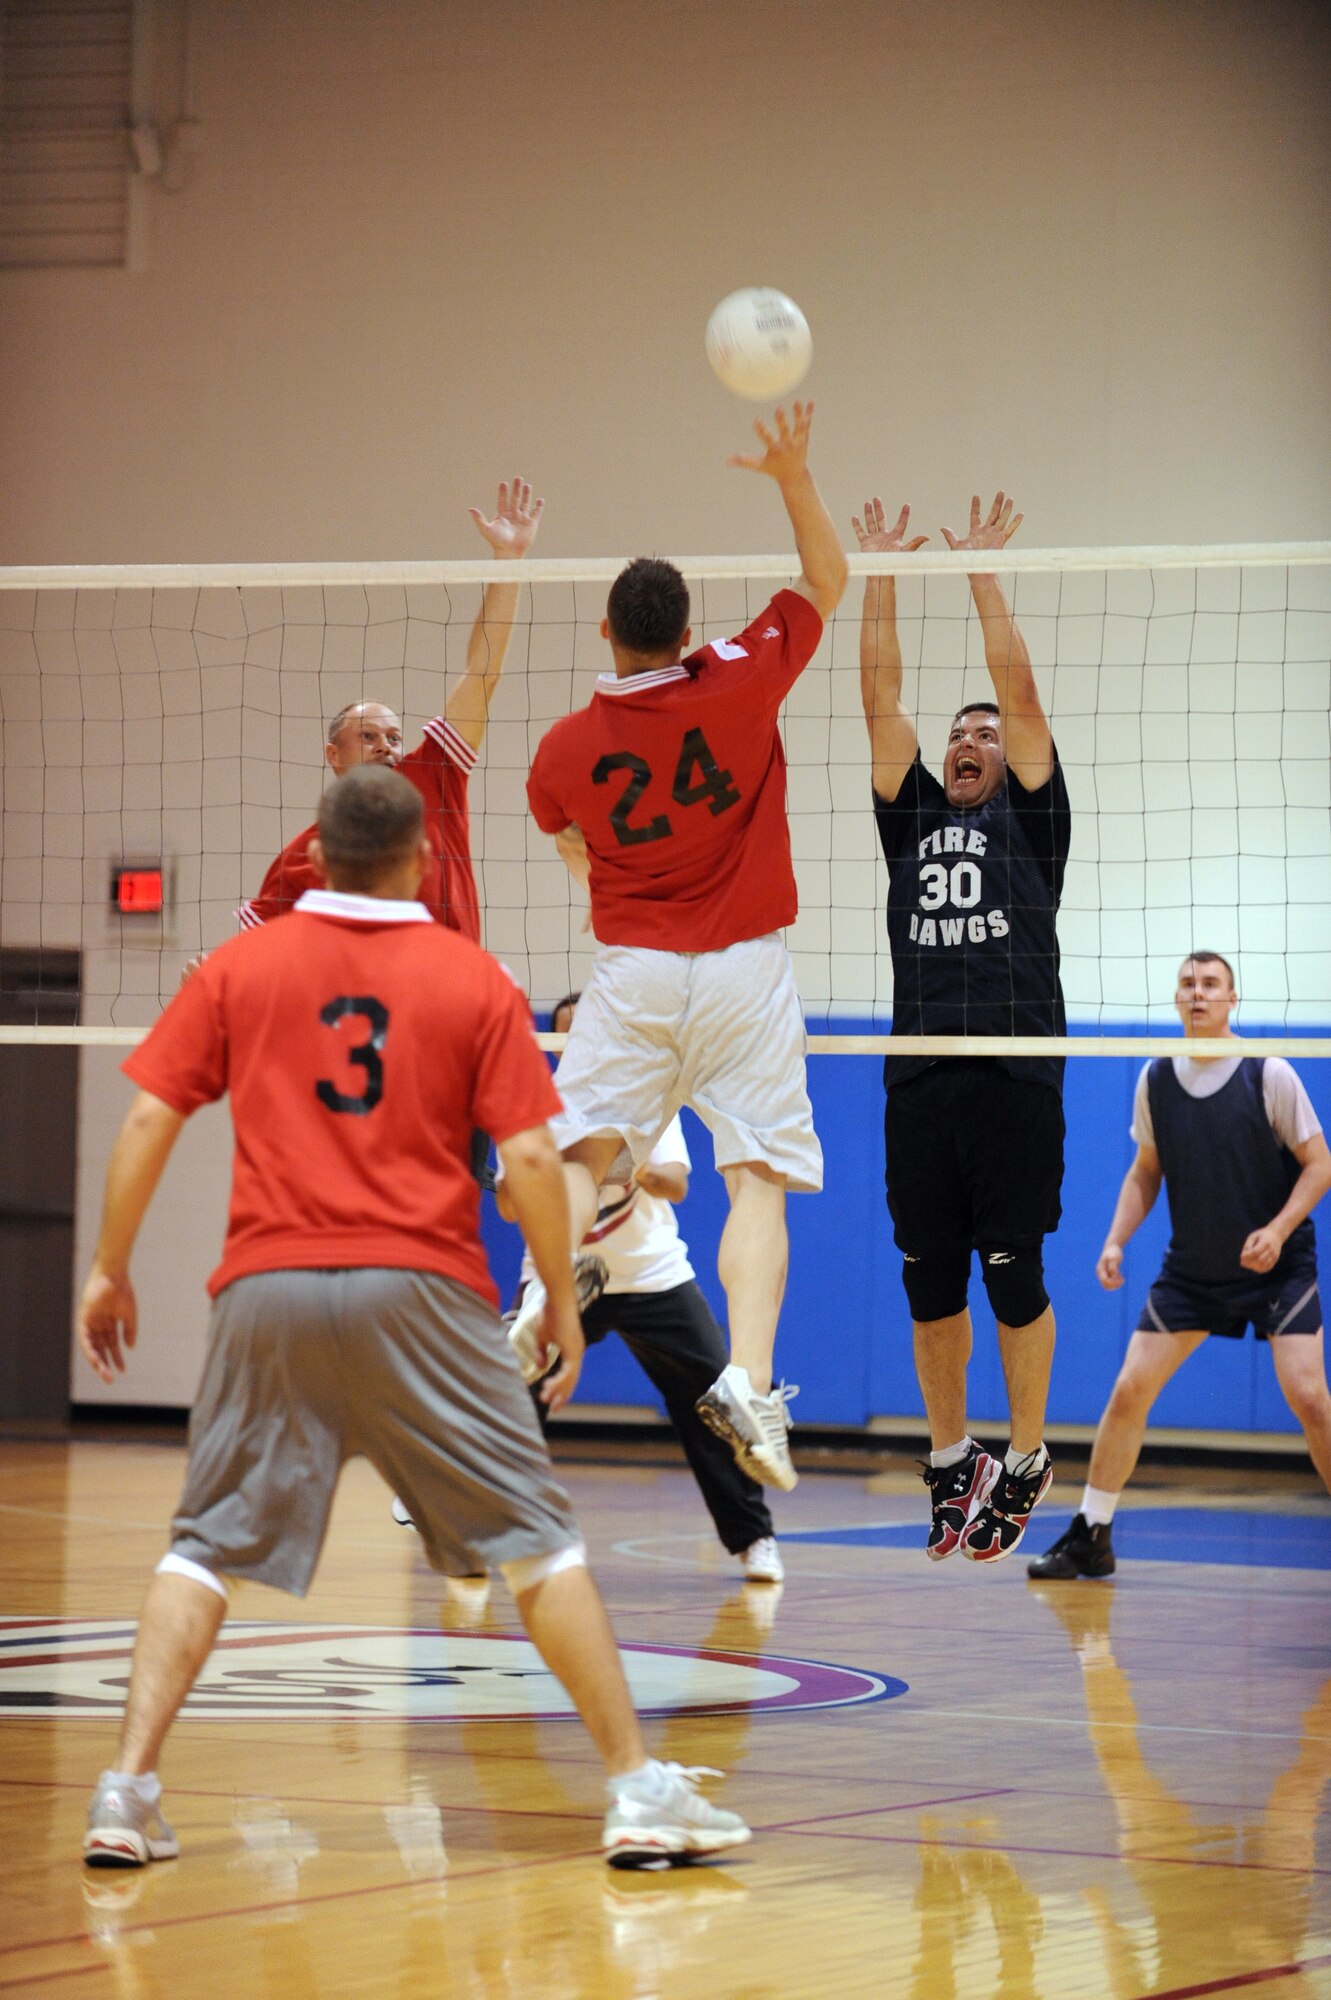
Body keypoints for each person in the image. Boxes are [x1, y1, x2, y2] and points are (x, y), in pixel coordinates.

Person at [76, 765, 749, 1871]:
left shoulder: (244, 963)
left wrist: (109, 1266)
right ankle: (634, 1788)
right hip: (421, 1289)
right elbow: (531, 1156)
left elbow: (152, 1113)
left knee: (202, 1547)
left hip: (268, 1287)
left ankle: (124, 1790)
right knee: (535, 1538)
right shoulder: (466, 974)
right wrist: (556, 1301)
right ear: (420, 862)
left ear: (316, 858)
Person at [521, 403, 848, 1493]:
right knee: (755, 1173)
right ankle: (748, 1379)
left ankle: (547, 1298)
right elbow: (824, 581)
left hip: (635, 967)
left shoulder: (565, 748)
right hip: (746, 962)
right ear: (684, 625)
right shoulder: (744, 674)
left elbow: (561, 828)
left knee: (582, 1150)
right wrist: (791, 476)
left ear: (608, 635)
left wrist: (608, 877)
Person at [855, 490, 1069, 1563]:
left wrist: (981, 572)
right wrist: (878, 570)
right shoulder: (911, 823)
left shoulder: (1030, 819)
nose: (973, 740)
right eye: (960, 734)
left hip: (1016, 1073)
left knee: (1011, 1272)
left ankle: (1026, 1454)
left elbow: (1020, 693)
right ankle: (952, 1457)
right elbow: (876, 697)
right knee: (926, 1277)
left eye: (986, 731)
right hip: (917, 1080)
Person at [1029, 951, 1331, 1579]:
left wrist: (1277, 1231)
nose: (1199, 993)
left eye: (1211, 984)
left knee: (1311, 1400)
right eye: (1189, 983)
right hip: (1194, 1272)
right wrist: (1114, 1240)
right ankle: (1092, 1532)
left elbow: (1320, 1164)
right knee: (1128, 1391)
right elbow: (1146, 1172)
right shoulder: (1156, 1078)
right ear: (1176, 999)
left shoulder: (1268, 1073)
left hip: (1278, 1268)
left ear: (1232, 999)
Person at [504, 992, 784, 1584]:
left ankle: (753, 1539)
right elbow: (508, 1203)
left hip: (650, 1272)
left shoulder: (647, 1095)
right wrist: (549, 1169)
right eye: (565, 1032)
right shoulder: (534, 1106)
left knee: (711, 1399)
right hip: (558, 1273)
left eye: (587, 1027)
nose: (579, 1038)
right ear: (556, 1045)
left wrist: (620, 1163)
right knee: (507, 1406)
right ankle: (469, 1530)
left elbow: (676, 1182)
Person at [238, 478, 544, 943]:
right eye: (368, 736)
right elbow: (253, 952)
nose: (386, 745)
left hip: (451, 996)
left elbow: (483, 672)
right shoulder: (302, 857)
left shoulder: (434, 776)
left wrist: (510, 560)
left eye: (395, 737)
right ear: (333, 754)